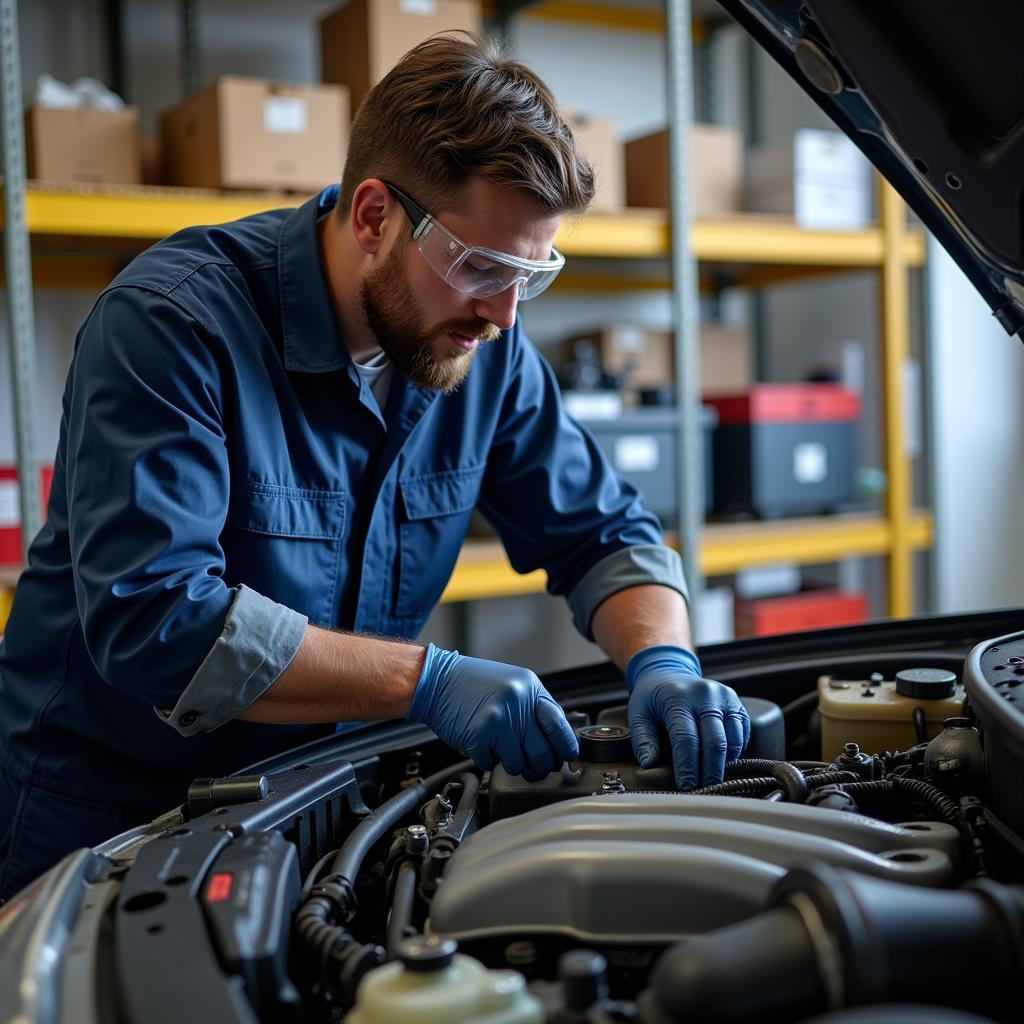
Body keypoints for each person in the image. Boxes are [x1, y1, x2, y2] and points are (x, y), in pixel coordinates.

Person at [0, 33, 749, 900]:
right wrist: (424, 680)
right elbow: (158, 618)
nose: (504, 314)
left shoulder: (482, 351)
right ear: (372, 217)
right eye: (481, 266)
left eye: (532, 274)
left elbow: (605, 535)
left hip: (319, 803)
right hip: (111, 822)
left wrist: (665, 660)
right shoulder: (172, 325)